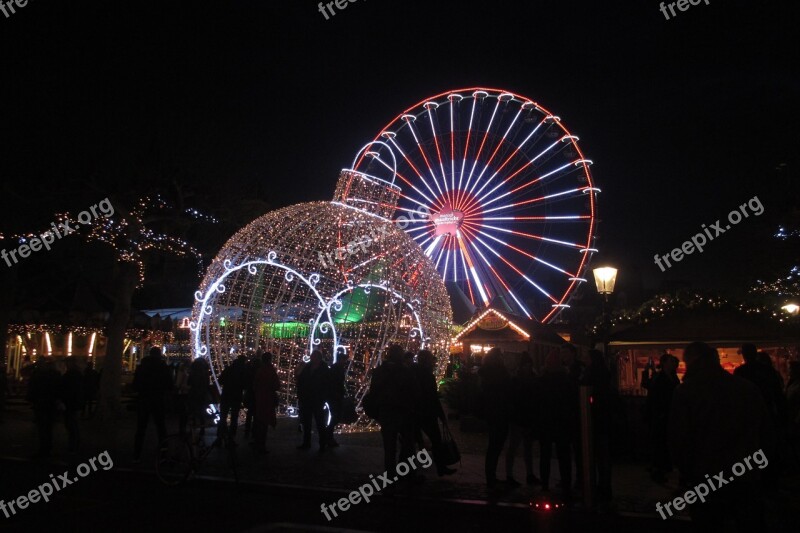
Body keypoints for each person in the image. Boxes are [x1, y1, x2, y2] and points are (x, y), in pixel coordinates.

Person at [669, 342, 772, 531]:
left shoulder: (686, 392)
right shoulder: (746, 388)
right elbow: (765, 429)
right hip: (745, 469)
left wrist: (685, 471)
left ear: (692, 362)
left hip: (706, 472)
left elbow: (680, 437)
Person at [370, 344, 419, 475]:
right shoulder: (406, 371)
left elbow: (373, 392)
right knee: (408, 444)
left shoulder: (379, 371)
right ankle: (406, 473)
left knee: (389, 447)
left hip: (386, 412)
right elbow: (414, 392)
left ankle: (390, 475)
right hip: (403, 412)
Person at [538, 350, 577, 501]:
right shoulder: (566, 380)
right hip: (562, 422)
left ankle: (545, 484)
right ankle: (566, 484)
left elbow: (537, 402)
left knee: (545, 455)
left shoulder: (542, 380)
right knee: (564, 456)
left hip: (546, 422)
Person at [414, 349, 456, 477]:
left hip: (416, 411)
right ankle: (440, 467)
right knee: (436, 440)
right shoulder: (428, 375)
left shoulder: (413, 373)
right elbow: (432, 397)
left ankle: (415, 469)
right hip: (427, 412)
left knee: (416, 442)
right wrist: (441, 415)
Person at [643, 353, 680, 483]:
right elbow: (655, 395)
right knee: (660, 441)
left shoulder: (671, 377)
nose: (673, 364)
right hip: (661, 414)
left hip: (666, 413)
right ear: (665, 363)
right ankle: (659, 468)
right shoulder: (662, 377)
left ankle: (662, 467)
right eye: (671, 361)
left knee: (664, 441)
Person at [582, 349, 614, 501]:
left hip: (595, 418)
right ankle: (604, 486)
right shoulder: (604, 374)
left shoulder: (591, 374)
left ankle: (598, 486)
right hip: (603, 419)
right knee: (603, 456)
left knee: (598, 454)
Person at [479, 347, 512, 488]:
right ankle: (491, 476)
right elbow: (507, 390)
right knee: (496, 445)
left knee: (493, 445)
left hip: (490, 412)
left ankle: (490, 475)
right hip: (500, 412)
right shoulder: (501, 372)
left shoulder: (484, 373)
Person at [133, 347, 173, 463]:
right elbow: (169, 384)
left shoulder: (141, 367)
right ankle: (164, 454)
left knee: (141, 428)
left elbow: (135, 384)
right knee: (161, 428)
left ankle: (136, 454)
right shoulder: (163, 367)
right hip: (158, 399)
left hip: (144, 399)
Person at [505, 353, 539, 486]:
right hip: (520, 417)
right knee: (517, 447)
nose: (528, 367)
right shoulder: (523, 379)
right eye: (526, 365)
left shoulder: (518, 379)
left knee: (525, 447)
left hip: (524, 417)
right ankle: (513, 474)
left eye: (529, 365)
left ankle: (526, 474)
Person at [296, 350, 331, 451]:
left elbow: (326, 384)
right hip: (307, 398)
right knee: (307, 422)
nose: (311, 358)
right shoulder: (307, 367)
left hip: (317, 399)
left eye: (313, 356)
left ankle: (322, 444)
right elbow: (300, 379)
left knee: (320, 422)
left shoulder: (324, 369)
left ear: (318, 358)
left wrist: (323, 398)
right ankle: (307, 442)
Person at [26, 358, 61, 458]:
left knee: (42, 428)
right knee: (47, 428)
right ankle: (47, 448)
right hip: (49, 404)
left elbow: (32, 387)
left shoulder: (38, 375)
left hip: (41, 404)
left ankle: (43, 449)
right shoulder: (54, 375)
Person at [560, 343, 584, 488]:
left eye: (566, 353)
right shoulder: (563, 370)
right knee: (565, 450)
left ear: (573, 354)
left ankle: (580, 478)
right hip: (566, 414)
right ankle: (567, 478)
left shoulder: (576, 370)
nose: (564, 356)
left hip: (575, 413)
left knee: (577, 449)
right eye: (562, 353)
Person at [252, 352, 280, 454]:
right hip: (267, 399)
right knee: (264, 423)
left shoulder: (260, 370)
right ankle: (261, 445)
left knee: (259, 421)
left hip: (259, 398)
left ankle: (257, 442)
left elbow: (254, 385)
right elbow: (276, 385)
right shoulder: (270, 370)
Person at [218, 355, 248, 439]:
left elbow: (220, 380)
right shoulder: (243, 371)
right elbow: (245, 385)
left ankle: (220, 436)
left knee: (223, 417)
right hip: (236, 397)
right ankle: (231, 438)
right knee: (234, 418)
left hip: (226, 395)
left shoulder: (228, 369)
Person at [60, 358, 85, 453]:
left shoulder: (70, 375)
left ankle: (73, 444)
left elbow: (67, 389)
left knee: (71, 424)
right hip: (75, 403)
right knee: (73, 424)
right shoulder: (78, 375)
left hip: (70, 403)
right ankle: (74, 444)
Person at [326, 350, 350, 447]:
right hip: (335, 396)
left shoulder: (336, 367)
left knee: (336, 416)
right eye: (344, 360)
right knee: (336, 416)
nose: (345, 362)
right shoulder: (337, 368)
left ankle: (328, 435)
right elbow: (337, 383)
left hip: (334, 395)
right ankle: (328, 434)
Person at [186, 357, 212, 436]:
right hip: (203, 394)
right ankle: (202, 428)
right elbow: (207, 384)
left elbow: (189, 383)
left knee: (192, 411)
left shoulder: (193, 372)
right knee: (201, 412)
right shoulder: (205, 373)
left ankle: (193, 428)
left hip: (193, 393)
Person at [243, 353, 263, 440]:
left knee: (250, 413)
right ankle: (254, 432)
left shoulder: (248, 370)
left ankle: (248, 431)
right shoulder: (259, 372)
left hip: (250, 394)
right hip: (256, 395)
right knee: (255, 414)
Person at [174, 360, 191, 436]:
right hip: (184, 393)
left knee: (184, 413)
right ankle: (183, 430)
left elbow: (178, 383)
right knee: (184, 413)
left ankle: (183, 429)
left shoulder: (183, 372)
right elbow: (179, 384)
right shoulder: (184, 372)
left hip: (183, 393)